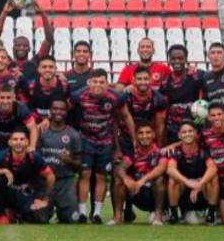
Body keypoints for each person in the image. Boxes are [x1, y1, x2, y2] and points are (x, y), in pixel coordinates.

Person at [72, 69, 134, 225]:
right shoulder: (78, 96)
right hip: (85, 140)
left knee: (101, 177)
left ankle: (98, 214)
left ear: (107, 84)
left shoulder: (116, 97)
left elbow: (126, 116)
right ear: (89, 83)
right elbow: (66, 112)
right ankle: (82, 213)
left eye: (101, 82)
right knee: (85, 175)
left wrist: (134, 139)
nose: (98, 85)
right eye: (95, 82)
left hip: (105, 142)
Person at [0, 128, 55, 224]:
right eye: (15, 139)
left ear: (27, 142)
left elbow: (51, 176)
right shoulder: (2, 155)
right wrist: (3, 170)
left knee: (40, 219)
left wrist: (44, 198)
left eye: (21, 139)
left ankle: (23, 215)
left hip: (26, 192)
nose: (18, 142)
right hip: (7, 193)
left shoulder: (34, 157)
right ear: (10, 142)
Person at [112, 121, 168, 225]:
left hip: (154, 194)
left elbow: (161, 167)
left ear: (154, 135)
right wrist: (126, 179)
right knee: (119, 179)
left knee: (160, 180)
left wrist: (142, 181)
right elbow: (120, 167)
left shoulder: (160, 151)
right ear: (136, 136)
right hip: (136, 192)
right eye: (141, 133)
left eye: (148, 133)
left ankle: (158, 217)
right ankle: (117, 217)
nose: (144, 136)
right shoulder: (133, 152)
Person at [36, 100, 83, 224]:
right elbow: (34, 159)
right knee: (38, 220)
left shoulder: (73, 135)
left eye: (61, 109)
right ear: (50, 111)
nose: (58, 112)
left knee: (72, 220)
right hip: (45, 182)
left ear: (66, 112)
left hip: (65, 182)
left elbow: (80, 165)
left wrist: (69, 160)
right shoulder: (41, 132)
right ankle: (48, 210)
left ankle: (62, 213)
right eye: (55, 109)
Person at [165, 121, 218, 225]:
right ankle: (175, 214)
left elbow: (213, 168)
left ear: (195, 133)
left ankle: (211, 214)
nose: (187, 134)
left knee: (213, 177)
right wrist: (187, 182)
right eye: (184, 132)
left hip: (201, 191)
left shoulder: (203, 150)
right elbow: (170, 169)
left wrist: (200, 184)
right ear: (179, 135)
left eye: (190, 131)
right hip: (184, 190)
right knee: (172, 179)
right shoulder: (176, 151)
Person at [0, 0, 53, 81]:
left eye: (24, 46)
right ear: (13, 48)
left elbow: (49, 40)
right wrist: (4, 13)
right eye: (18, 45)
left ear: (29, 48)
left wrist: (43, 13)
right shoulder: (8, 62)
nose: (21, 48)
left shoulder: (34, 62)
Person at [159, 44, 205, 145]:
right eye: (173, 58)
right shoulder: (165, 83)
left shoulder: (197, 75)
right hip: (174, 129)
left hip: (195, 126)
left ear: (186, 59)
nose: (177, 61)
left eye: (180, 58)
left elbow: (205, 99)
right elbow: (163, 112)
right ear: (169, 60)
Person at [0, 85, 38, 154]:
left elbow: (33, 128)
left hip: (18, 141)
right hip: (0, 141)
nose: (5, 101)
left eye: (8, 98)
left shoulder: (21, 109)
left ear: (14, 98)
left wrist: (32, 147)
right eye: (2, 98)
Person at [17, 55, 71, 122]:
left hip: (57, 122)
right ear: (38, 69)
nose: (47, 70)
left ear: (55, 69)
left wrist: (49, 119)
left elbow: (68, 106)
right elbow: (25, 105)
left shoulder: (64, 85)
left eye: (51, 67)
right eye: (44, 67)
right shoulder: (30, 86)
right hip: (34, 121)